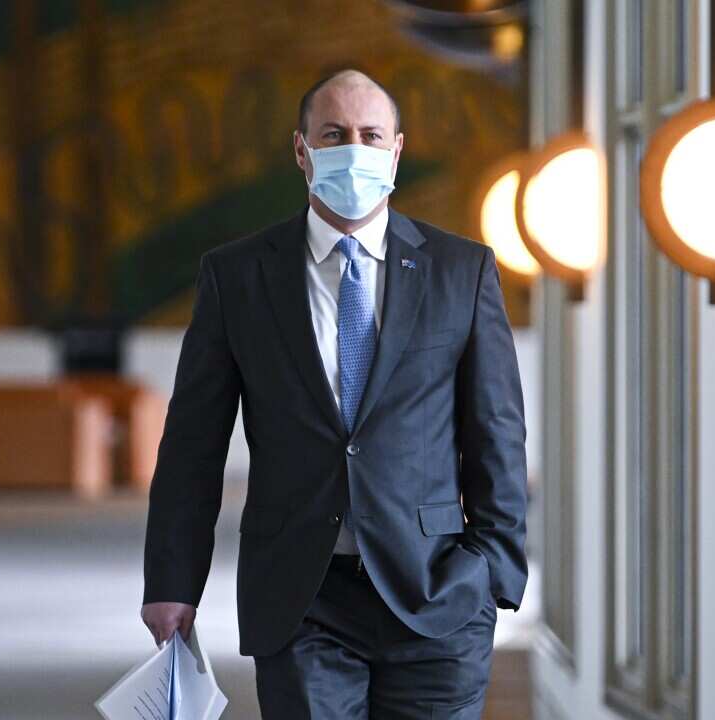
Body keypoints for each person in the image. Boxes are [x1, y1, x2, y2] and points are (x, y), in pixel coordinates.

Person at [139, 68, 528, 719]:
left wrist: (495, 572)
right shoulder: (237, 278)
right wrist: (172, 582)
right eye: (334, 134)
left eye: (371, 135)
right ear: (302, 150)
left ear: (396, 150)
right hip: (302, 598)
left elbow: (497, 431)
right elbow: (192, 447)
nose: (355, 148)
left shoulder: (461, 272)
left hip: (436, 593)